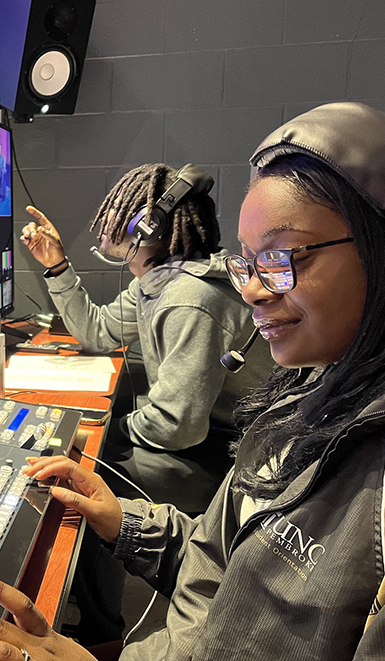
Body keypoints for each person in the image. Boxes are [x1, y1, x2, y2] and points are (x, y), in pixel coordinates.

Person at [0, 102, 385, 660]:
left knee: (106, 451)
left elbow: (180, 428)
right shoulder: (307, 396)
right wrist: (129, 525)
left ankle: (96, 624)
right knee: (96, 472)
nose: (256, 290)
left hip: (201, 450)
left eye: (284, 257)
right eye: (251, 262)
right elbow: (235, 572)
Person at [22, 164, 273, 514]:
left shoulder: (190, 298)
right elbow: (98, 332)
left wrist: (101, 428)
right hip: (201, 433)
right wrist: (58, 267)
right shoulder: (156, 283)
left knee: (87, 466)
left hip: (229, 454)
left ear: (147, 226)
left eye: (119, 210)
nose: (107, 216)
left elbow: (175, 427)